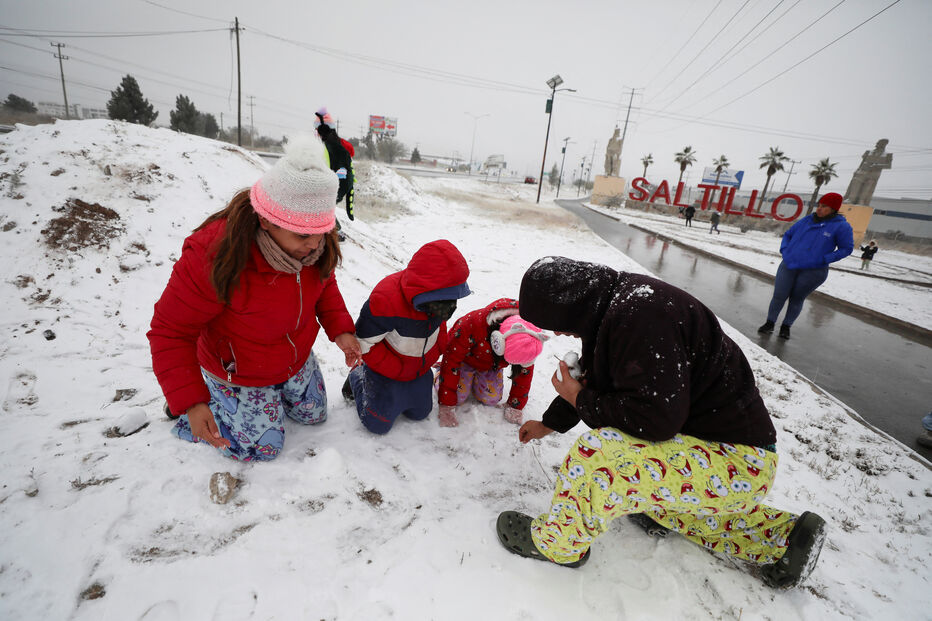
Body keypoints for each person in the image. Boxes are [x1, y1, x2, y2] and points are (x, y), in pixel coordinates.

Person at [495, 256, 827, 588]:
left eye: (554, 320)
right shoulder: (615, 307)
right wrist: (549, 423)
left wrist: (579, 399)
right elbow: (599, 378)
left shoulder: (642, 319)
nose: (556, 331)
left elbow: (654, 421)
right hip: (709, 449)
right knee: (653, 503)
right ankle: (784, 539)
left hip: (738, 462)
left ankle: (559, 544)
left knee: (598, 454)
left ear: (570, 306)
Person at [148, 136, 362, 461]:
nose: (315, 243)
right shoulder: (214, 255)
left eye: (323, 230)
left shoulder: (315, 246)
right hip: (240, 368)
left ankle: (269, 396)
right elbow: (170, 331)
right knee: (263, 449)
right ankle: (201, 406)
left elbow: (324, 285)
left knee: (315, 414)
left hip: (292, 357)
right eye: (303, 234)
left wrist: (341, 329)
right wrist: (191, 401)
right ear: (266, 220)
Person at [344, 240, 470, 434]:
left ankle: (406, 387)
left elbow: (440, 327)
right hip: (386, 370)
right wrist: (396, 369)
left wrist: (436, 351)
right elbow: (364, 342)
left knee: (420, 413)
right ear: (427, 290)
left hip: (418, 369)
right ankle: (358, 376)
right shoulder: (386, 300)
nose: (451, 305)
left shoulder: (438, 304)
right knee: (377, 424)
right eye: (446, 298)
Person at [436, 299, 548, 427]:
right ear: (498, 342)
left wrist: (515, 405)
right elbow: (451, 361)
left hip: (491, 365)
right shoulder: (470, 325)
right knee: (458, 398)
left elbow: (524, 373)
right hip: (464, 361)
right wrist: (446, 405)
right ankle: (439, 373)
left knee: (491, 399)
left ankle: (475, 380)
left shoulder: (528, 339)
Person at [757, 192, 853, 340]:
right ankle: (769, 323)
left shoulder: (841, 226)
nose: (819, 209)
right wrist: (785, 250)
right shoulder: (807, 220)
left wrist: (824, 259)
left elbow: (846, 249)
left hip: (813, 271)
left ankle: (786, 327)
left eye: (824, 206)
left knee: (796, 298)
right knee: (779, 296)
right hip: (789, 264)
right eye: (819, 205)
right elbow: (788, 234)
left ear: (834, 209)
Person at [314, 107, 355, 238]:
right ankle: (332, 230)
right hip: (338, 181)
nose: (316, 133)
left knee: (324, 204)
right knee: (323, 204)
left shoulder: (333, 143)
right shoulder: (328, 142)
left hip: (341, 181)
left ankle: (336, 232)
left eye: (317, 130)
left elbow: (343, 162)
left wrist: (339, 174)